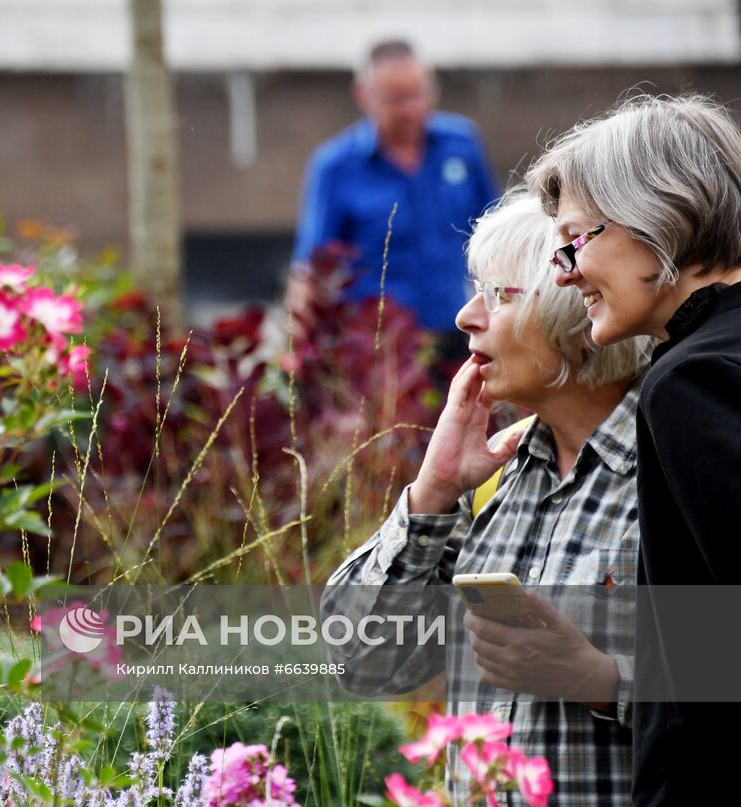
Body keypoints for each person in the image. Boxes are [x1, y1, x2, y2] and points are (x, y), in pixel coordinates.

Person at [322, 192, 650, 805]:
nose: (466, 317)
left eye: (499, 296)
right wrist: (435, 491)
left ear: (576, 307)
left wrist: (602, 682)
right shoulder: (501, 478)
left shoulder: (674, 465)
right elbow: (364, 662)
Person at [525, 93, 741, 806]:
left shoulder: (691, 380)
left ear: (659, 213)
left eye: (575, 241)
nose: (562, 273)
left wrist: (603, 672)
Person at [290, 39, 499, 379]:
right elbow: (310, 270)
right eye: (396, 99)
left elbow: (497, 232)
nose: (411, 109)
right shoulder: (335, 167)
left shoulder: (461, 144)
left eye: (419, 94)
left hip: (461, 335)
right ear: (363, 95)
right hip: (382, 353)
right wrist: (302, 355)